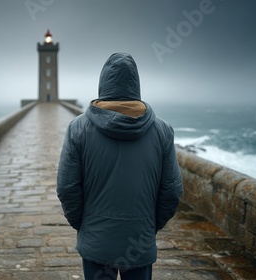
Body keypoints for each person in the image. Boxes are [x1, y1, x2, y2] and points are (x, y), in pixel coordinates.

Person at [57, 52, 183, 280]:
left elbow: (67, 188)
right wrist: (149, 226)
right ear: (136, 84)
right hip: (139, 242)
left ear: (102, 83)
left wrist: (84, 225)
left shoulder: (77, 129)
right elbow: (173, 191)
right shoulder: (163, 131)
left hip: (96, 242)